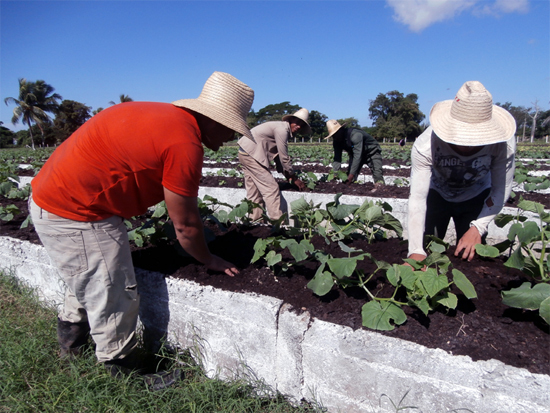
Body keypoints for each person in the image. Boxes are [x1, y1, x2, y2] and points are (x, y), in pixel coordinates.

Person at [29, 71, 255, 386]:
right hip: (75, 212)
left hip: (56, 200)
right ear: (214, 120)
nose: (231, 137)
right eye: (231, 129)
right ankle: (123, 372)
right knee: (114, 288)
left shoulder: (162, 116)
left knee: (88, 277)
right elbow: (187, 226)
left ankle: (72, 350)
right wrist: (209, 259)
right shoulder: (184, 143)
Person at [407, 80, 516, 263]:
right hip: (437, 193)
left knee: (471, 258)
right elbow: (417, 198)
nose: (466, 145)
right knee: (427, 249)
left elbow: (501, 189)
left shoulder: (503, 145)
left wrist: (478, 228)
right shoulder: (426, 146)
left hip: (476, 194)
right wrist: (415, 250)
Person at [238, 108, 310, 222]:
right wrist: (294, 177)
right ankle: (278, 224)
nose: (299, 126)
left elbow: (277, 157)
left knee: (254, 190)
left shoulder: (279, 127)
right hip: (251, 155)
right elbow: (283, 156)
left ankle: (255, 221)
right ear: (291, 120)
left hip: (244, 152)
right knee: (271, 188)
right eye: (297, 122)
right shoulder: (282, 130)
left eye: (302, 125)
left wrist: (288, 175)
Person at [325, 120, 384, 191]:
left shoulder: (355, 135)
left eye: (336, 134)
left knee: (377, 175)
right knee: (349, 181)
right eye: (333, 135)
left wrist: (351, 175)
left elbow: (357, 156)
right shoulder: (336, 142)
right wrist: (335, 174)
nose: (335, 137)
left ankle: (380, 190)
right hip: (355, 155)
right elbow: (337, 158)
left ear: (341, 130)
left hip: (371, 153)